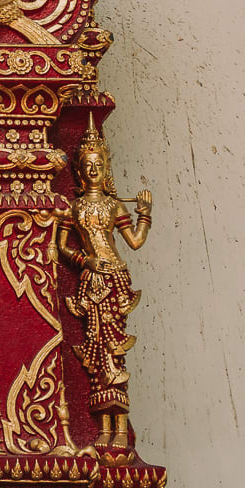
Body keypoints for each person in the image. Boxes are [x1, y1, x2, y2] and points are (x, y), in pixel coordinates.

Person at [57, 118, 152, 450]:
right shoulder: (76, 206)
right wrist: (86, 261)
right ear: (80, 172)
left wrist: (145, 214)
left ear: (106, 168)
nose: (94, 169)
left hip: (115, 279)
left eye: (99, 164)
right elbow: (63, 246)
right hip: (91, 278)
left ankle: (121, 428)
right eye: (88, 165)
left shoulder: (113, 206)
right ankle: (104, 425)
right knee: (97, 353)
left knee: (115, 350)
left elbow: (135, 241)